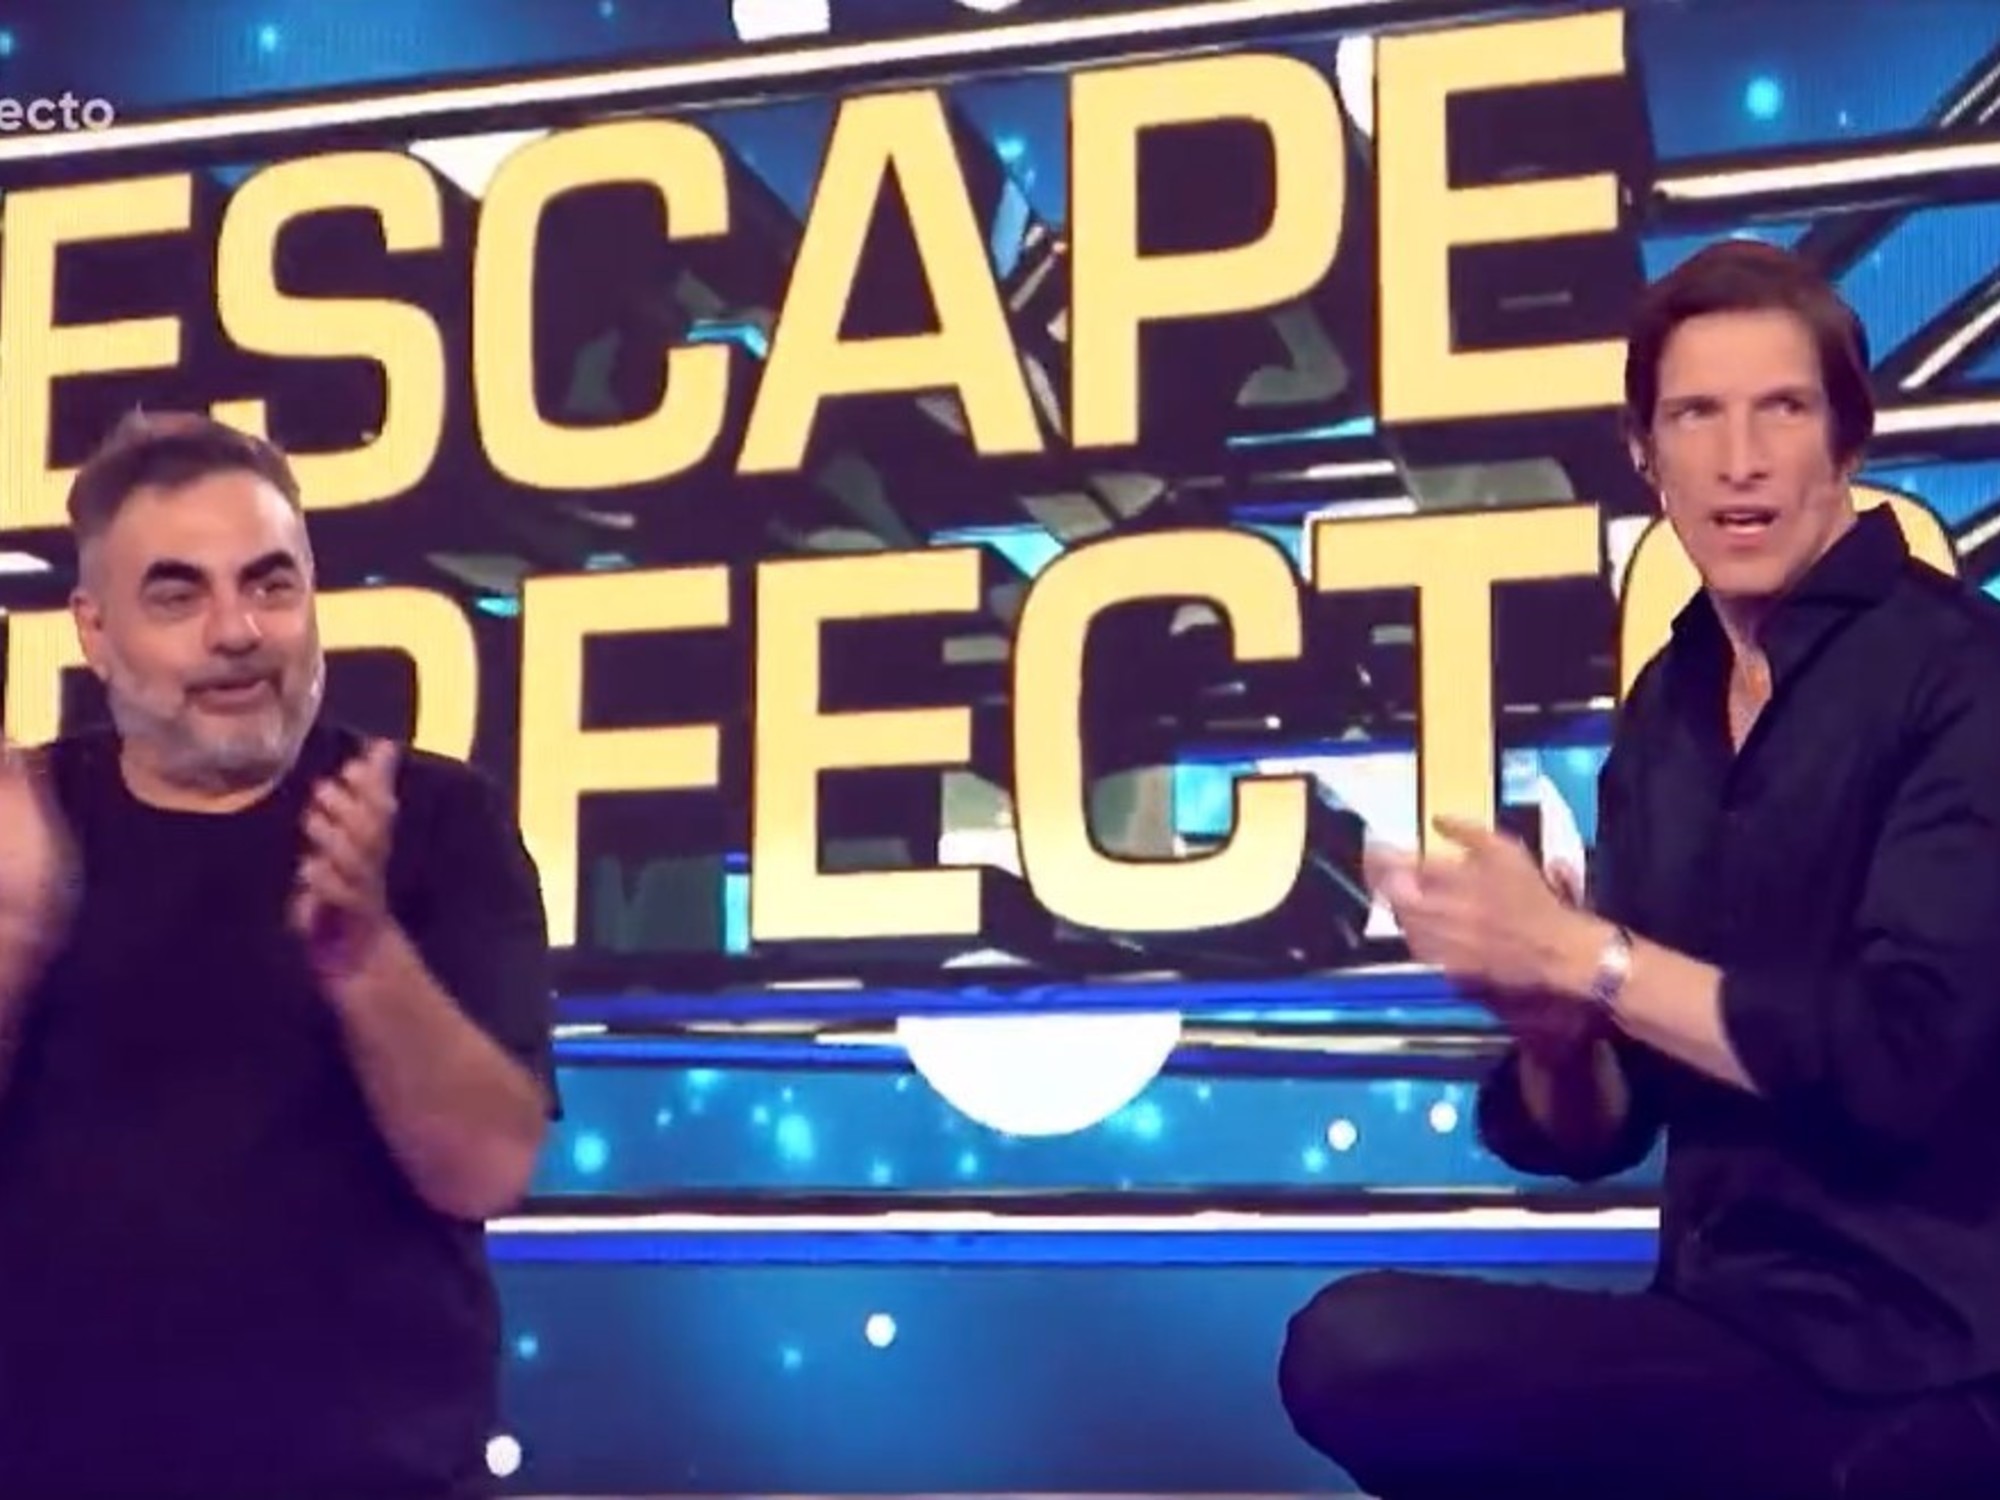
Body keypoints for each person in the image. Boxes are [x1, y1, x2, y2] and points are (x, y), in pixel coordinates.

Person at [1277, 239, 2000, 1497]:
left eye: (1781, 410)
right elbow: (1602, 1134)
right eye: (1694, 415)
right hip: (1720, 1328)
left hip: (1928, 1353)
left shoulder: (1959, 676)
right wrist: (1557, 1033)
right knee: (1355, 1349)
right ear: (1643, 456)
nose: (1738, 459)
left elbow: (1903, 1058)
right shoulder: (1665, 709)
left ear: (1847, 443)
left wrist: (1584, 954)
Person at [0, 411, 559, 1500]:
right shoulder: (26, 825)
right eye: (178, 596)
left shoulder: (433, 822)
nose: (238, 630)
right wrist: (15, 939)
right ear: (95, 632)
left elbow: (486, 1167)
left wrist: (365, 959)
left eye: (271, 584)